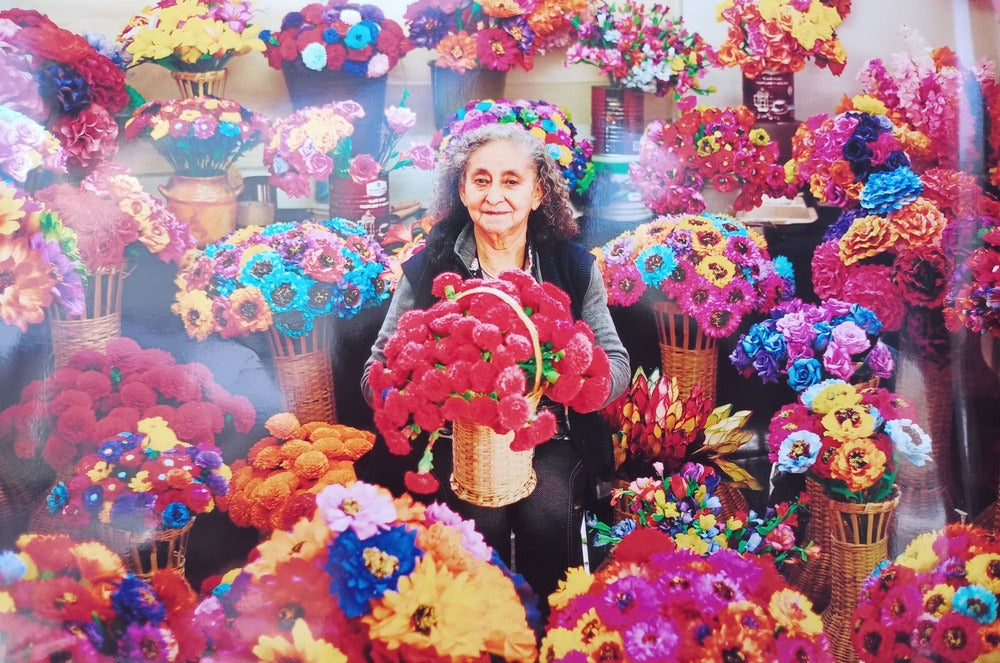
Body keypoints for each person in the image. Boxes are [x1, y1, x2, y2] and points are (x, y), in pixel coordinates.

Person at [361, 123, 630, 601]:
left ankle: (552, 632)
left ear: (537, 192)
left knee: (546, 507)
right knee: (475, 513)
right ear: (462, 190)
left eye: (511, 181)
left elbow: (616, 363)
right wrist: (428, 390)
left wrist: (568, 380)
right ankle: (478, 636)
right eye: (481, 180)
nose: (494, 196)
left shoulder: (572, 267)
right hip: (452, 440)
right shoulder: (427, 267)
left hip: (552, 435)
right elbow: (376, 367)